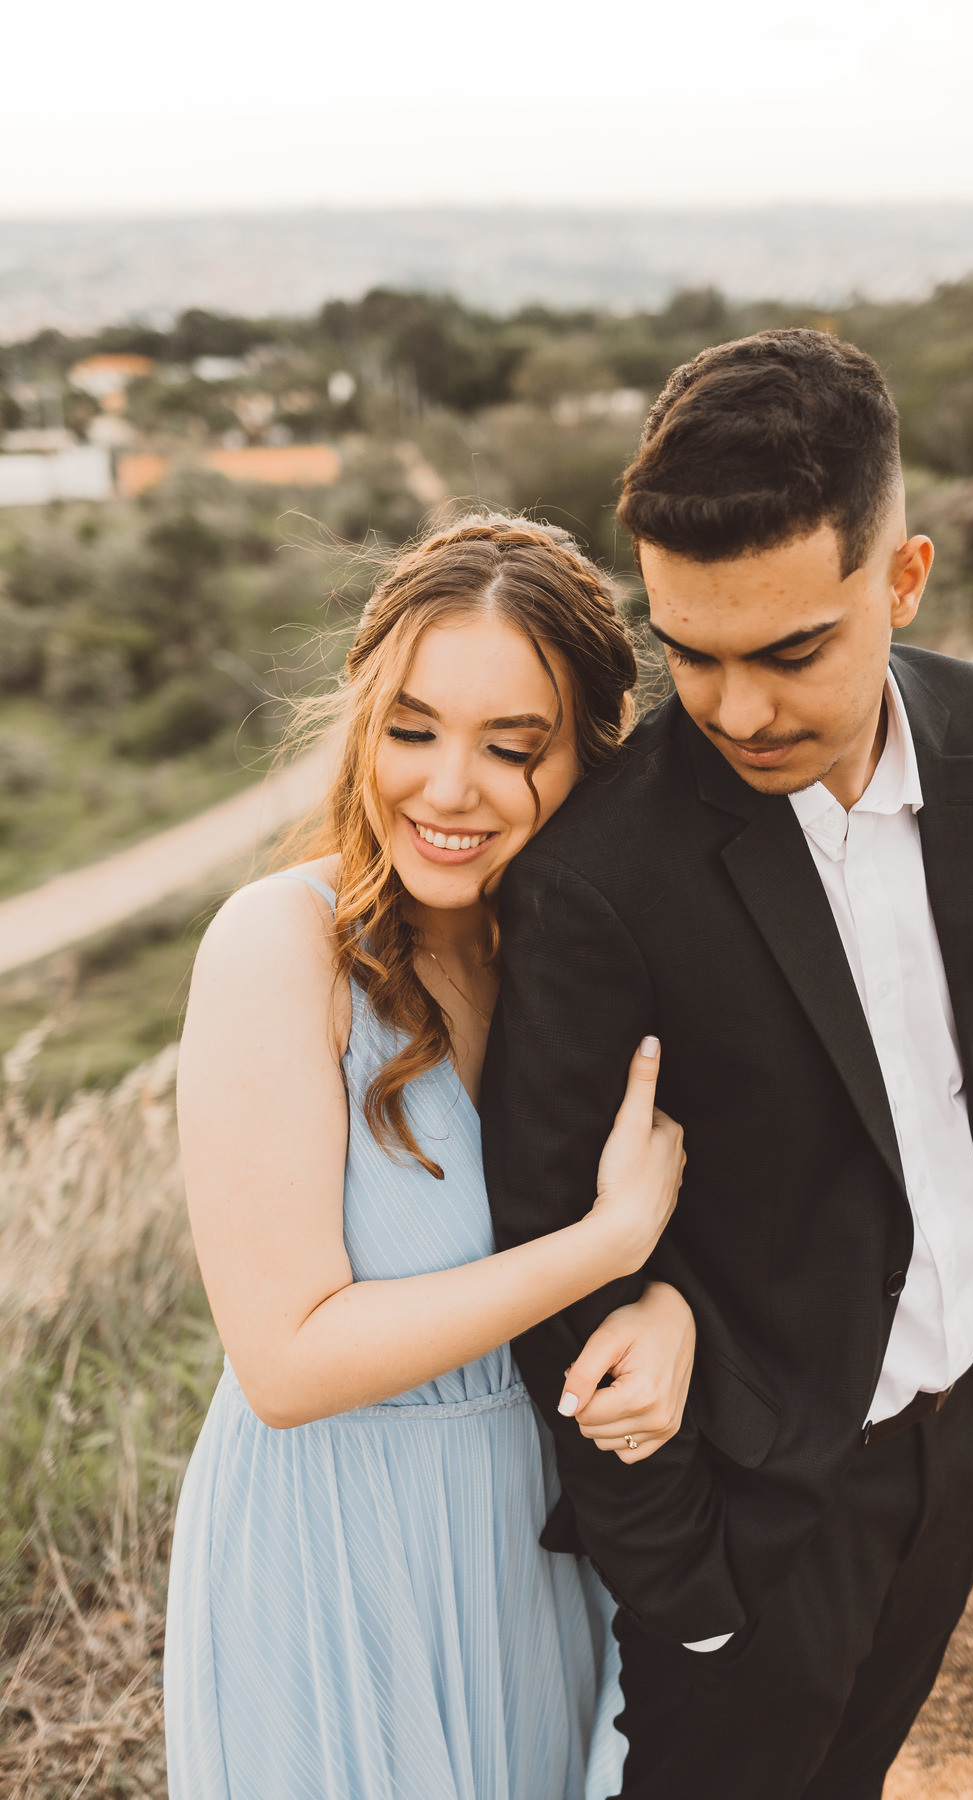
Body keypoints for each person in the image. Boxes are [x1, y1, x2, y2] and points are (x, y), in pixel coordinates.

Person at [482, 328, 973, 1798]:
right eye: (691, 653)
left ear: (904, 579)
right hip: (754, 1523)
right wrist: (688, 1602)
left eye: (790, 650)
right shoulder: (597, 878)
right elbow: (559, 1262)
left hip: (957, 1445)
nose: (735, 709)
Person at [164, 515, 699, 1800]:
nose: (447, 790)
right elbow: (286, 1360)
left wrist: (671, 1304)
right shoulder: (277, 949)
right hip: (334, 1555)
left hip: (540, 1543)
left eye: (512, 748)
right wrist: (603, 1252)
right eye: (411, 730)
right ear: (361, 722)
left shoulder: (585, 967)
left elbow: (712, 1215)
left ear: (589, 758)